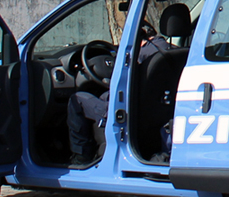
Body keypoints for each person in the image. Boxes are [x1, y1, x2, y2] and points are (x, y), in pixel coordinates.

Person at [66, 16, 182, 165]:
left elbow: (120, 83)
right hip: (160, 113)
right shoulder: (175, 53)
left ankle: (82, 155)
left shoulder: (138, 56)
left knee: (78, 99)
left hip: (129, 113)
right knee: (103, 96)